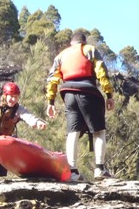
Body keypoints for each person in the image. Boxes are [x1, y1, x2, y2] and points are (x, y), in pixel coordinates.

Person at [45, 30, 116, 180]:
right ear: (83, 42)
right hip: (88, 92)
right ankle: (99, 169)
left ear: (71, 43)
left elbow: (52, 80)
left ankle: (73, 172)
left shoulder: (61, 56)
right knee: (99, 131)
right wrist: (109, 95)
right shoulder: (89, 49)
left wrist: (50, 102)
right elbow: (101, 72)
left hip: (68, 94)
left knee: (73, 132)